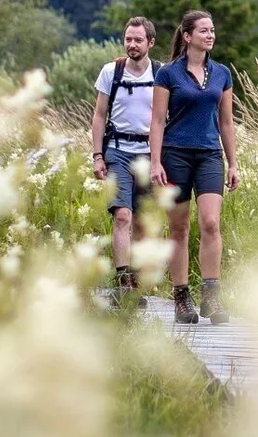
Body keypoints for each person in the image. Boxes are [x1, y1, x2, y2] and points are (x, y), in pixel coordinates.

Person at [148, 10, 240, 324]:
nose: (210, 35)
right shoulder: (168, 74)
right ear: (187, 36)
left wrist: (233, 163)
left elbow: (227, 123)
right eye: (204, 30)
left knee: (211, 223)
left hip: (210, 154)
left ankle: (211, 298)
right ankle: (181, 297)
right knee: (179, 227)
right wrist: (156, 161)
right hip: (175, 155)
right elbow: (158, 121)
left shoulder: (222, 73)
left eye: (212, 30)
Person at [91, 17, 161, 309]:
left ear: (150, 43)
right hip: (118, 150)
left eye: (138, 40)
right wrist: (97, 155)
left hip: (148, 153)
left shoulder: (161, 74)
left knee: (143, 223)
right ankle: (123, 282)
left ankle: (138, 282)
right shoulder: (111, 72)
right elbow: (99, 114)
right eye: (128, 39)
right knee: (123, 216)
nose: (132, 45)